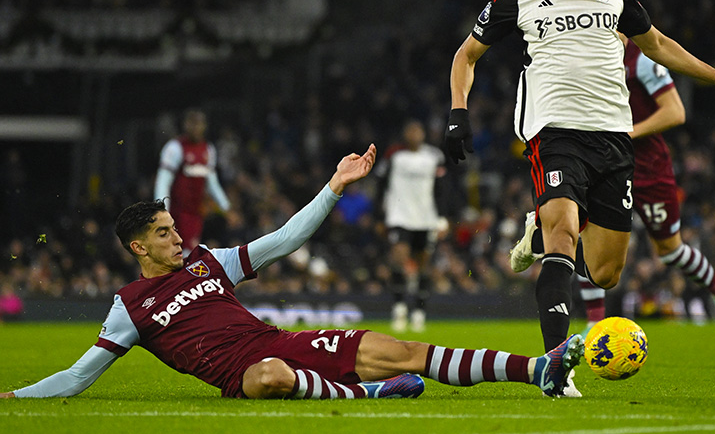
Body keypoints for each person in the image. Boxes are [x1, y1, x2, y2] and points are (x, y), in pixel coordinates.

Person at [445, 0, 715, 395]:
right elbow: (466, 55)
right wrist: (458, 112)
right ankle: (555, 369)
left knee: (605, 273)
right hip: (554, 132)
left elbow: (659, 44)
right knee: (563, 231)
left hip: (615, 139)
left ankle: (542, 236)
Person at [1, 144, 584, 400]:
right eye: (163, 232)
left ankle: (536, 369)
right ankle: (372, 394)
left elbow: (283, 241)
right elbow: (78, 378)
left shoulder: (209, 263)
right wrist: (16, 396)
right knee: (268, 379)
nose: (178, 237)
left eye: (175, 227)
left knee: (402, 347)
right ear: (136, 247)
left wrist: (333, 188)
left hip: (283, 343)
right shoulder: (128, 306)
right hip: (250, 373)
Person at [510, 36, 715, 338]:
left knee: (670, 250)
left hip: (648, 168)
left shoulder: (641, 58)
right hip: (599, 161)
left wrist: (626, 133)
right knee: (582, 232)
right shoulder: (583, 52)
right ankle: (595, 323)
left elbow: (675, 111)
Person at [374, 120, 446, 332]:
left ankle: (419, 312)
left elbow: (443, 189)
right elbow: (380, 185)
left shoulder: (434, 156)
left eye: (418, 130)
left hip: (426, 218)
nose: (414, 134)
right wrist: (379, 217)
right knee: (398, 257)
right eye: (410, 130)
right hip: (399, 216)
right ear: (404, 134)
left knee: (424, 264)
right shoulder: (394, 155)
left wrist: (442, 217)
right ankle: (399, 308)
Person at [154, 109, 230, 253]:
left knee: (188, 252)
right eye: (192, 123)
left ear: (204, 126)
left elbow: (211, 182)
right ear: (185, 125)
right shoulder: (175, 148)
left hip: (196, 212)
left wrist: (225, 206)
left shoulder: (208, 150)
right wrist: (161, 210)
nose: (196, 127)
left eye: (199, 123)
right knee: (185, 252)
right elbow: (163, 181)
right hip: (178, 212)